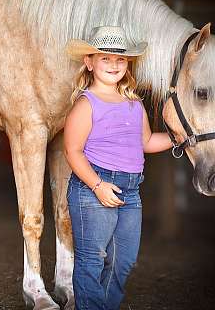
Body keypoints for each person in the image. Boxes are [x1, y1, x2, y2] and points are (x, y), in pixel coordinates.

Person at [63, 26, 173, 310]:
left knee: (123, 261)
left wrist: (178, 137)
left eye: (120, 59)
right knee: (92, 259)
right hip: (94, 187)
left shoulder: (134, 104)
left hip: (130, 191)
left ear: (128, 63)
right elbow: (72, 151)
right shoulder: (86, 104)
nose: (114, 65)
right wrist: (98, 186)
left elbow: (146, 141)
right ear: (89, 62)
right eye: (105, 58)